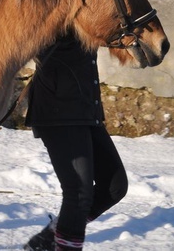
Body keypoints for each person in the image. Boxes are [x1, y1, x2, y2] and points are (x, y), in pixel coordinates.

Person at [23, 32, 129, 251]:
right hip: (57, 110)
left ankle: (51, 235)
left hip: (87, 109)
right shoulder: (53, 5)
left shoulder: (87, 6)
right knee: (79, 193)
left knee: (115, 186)